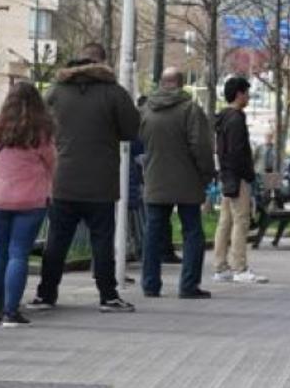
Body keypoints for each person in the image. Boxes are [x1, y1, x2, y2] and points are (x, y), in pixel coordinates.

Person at [29, 42, 140, 313]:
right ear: (102, 62)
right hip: (101, 181)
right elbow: (131, 131)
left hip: (63, 178)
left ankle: (46, 294)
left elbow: (41, 127)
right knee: (102, 240)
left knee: (57, 240)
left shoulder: (55, 92)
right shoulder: (114, 92)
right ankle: (108, 296)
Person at [0, 82, 56, 327]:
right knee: (18, 254)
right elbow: (52, 162)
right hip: (30, 201)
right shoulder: (41, 131)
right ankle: (11, 312)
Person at [139, 67, 216, 299]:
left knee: (153, 233)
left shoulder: (146, 110)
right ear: (181, 84)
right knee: (192, 232)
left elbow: (140, 141)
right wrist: (207, 173)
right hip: (187, 181)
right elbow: (200, 146)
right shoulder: (190, 110)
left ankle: (150, 285)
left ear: (161, 83)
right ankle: (188, 285)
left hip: (155, 179)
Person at [212, 77, 267, 284]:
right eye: (246, 92)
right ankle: (239, 267)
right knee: (241, 220)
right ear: (239, 94)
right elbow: (237, 152)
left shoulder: (224, 118)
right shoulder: (236, 119)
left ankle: (220, 266)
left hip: (226, 176)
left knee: (225, 221)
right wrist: (248, 175)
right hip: (238, 177)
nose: (249, 96)